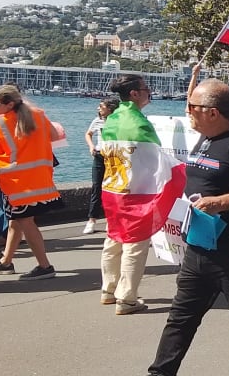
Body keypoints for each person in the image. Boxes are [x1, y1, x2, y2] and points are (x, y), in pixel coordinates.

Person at [147, 77, 229, 376]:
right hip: (198, 248)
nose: (187, 111)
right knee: (181, 317)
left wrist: (220, 202)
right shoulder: (205, 137)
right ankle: (160, 372)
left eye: (192, 106)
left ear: (213, 112)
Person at [0, 85, 62, 280]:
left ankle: (44, 266)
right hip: (39, 179)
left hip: (16, 182)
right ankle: (6, 262)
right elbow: (55, 136)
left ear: (9, 104)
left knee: (26, 223)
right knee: (16, 221)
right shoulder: (38, 115)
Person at [98, 76, 158, 315]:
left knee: (113, 238)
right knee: (135, 243)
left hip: (113, 187)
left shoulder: (112, 119)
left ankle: (109, 289)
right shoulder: (139, 123)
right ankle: (127, 298)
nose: (149, 92)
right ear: (134, 94)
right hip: (136, 190)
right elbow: (156, 158)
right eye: (146, 89)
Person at [83, 97, 120, 235]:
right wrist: (91, 146)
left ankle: (110, 220)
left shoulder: (118, 122)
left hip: (114, 157)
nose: (98, 109)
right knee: (96, 187)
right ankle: (92, 220)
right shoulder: (97, 120)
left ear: (110, 108)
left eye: (101, 106)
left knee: (113, 188)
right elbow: (88, 133)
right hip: (99, 156)